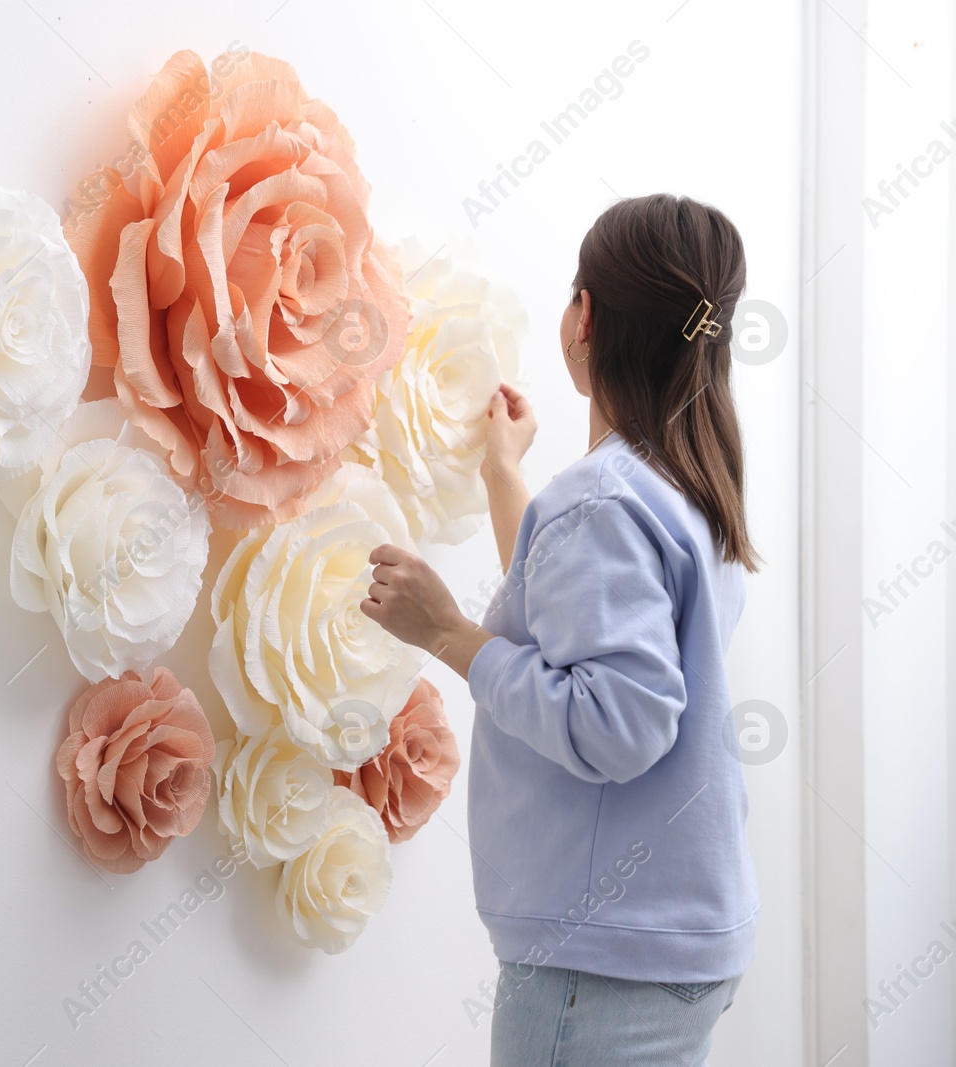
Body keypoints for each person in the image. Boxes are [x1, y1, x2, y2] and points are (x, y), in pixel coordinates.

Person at [361, 194, 760, 1066]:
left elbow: (616, 723)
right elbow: (567, 614)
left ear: (586, 318)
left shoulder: (604, 504)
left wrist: (447, 635)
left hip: (601, 958)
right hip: (672, 938)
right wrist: (504, 471)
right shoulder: (689, 489)